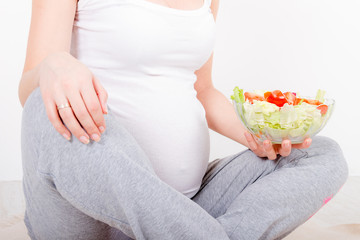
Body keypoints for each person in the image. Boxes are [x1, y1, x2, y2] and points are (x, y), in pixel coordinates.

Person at [18, 0, 348, 239]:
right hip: (87, 216)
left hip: (188, 202)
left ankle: (192, 232)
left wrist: (261, 135)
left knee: (321, 155)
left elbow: (202, 90)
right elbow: (29, 88)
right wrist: (53, 64)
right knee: (45, 106)